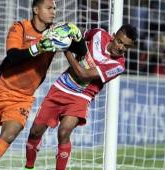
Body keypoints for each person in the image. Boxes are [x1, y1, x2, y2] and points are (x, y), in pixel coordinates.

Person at [0, 0, 81, 169]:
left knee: (9, 135)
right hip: (0, 88)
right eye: (49, 8)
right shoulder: (20, 28)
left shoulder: (56, 33)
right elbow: (12, 56)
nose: (53, 12)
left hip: (22, 97)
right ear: (36, 9)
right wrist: (38, 48)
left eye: (55, 9)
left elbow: (81, 51)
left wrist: (77, 37)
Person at [24, 24, 137, 170]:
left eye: (126, 47)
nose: (121, 48)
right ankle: (28, 166)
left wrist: (65, 50)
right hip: (61, 87)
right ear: (113, 35)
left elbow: (83, 74)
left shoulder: (118, 65)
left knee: (64, 132)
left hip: (81, 96)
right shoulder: (98, 34)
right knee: (35, 132)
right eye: (120, 42)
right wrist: (67, 33)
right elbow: (79, 36)